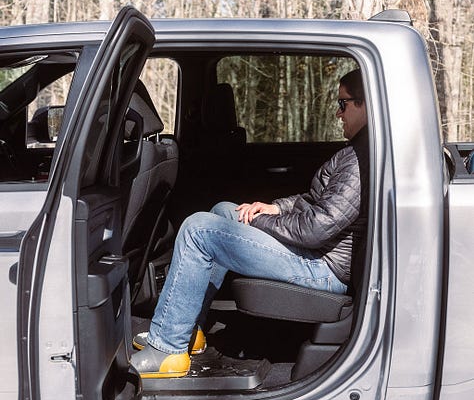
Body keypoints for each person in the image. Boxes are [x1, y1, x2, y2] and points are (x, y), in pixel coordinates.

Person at [131, 69, 368, 379]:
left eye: (343, 104)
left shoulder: (359, 161)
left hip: (323, 268)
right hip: (319, 254)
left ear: (365, 105)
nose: (338, 113)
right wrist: (274, 207)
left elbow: (317, 228)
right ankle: (187, 329)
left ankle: (167, 350)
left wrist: (263, 221)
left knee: (198, 230)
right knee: (224, 211)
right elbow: (314, 200)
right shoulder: (355, 153)